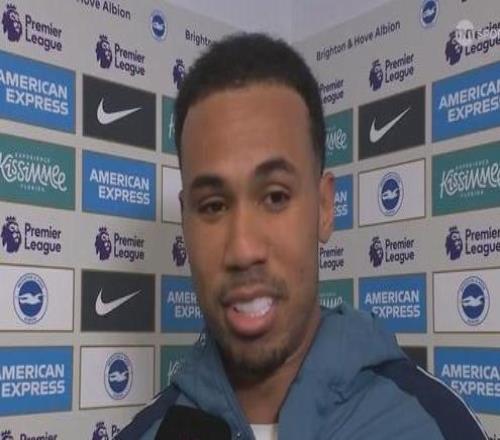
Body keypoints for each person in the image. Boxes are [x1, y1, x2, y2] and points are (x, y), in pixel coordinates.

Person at [117, 33, 488, 440]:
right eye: (213, 206)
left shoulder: (435, 425)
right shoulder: (146, 434)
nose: (243, 249)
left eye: (275, 197)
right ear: (186, 222)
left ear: (325, 207)